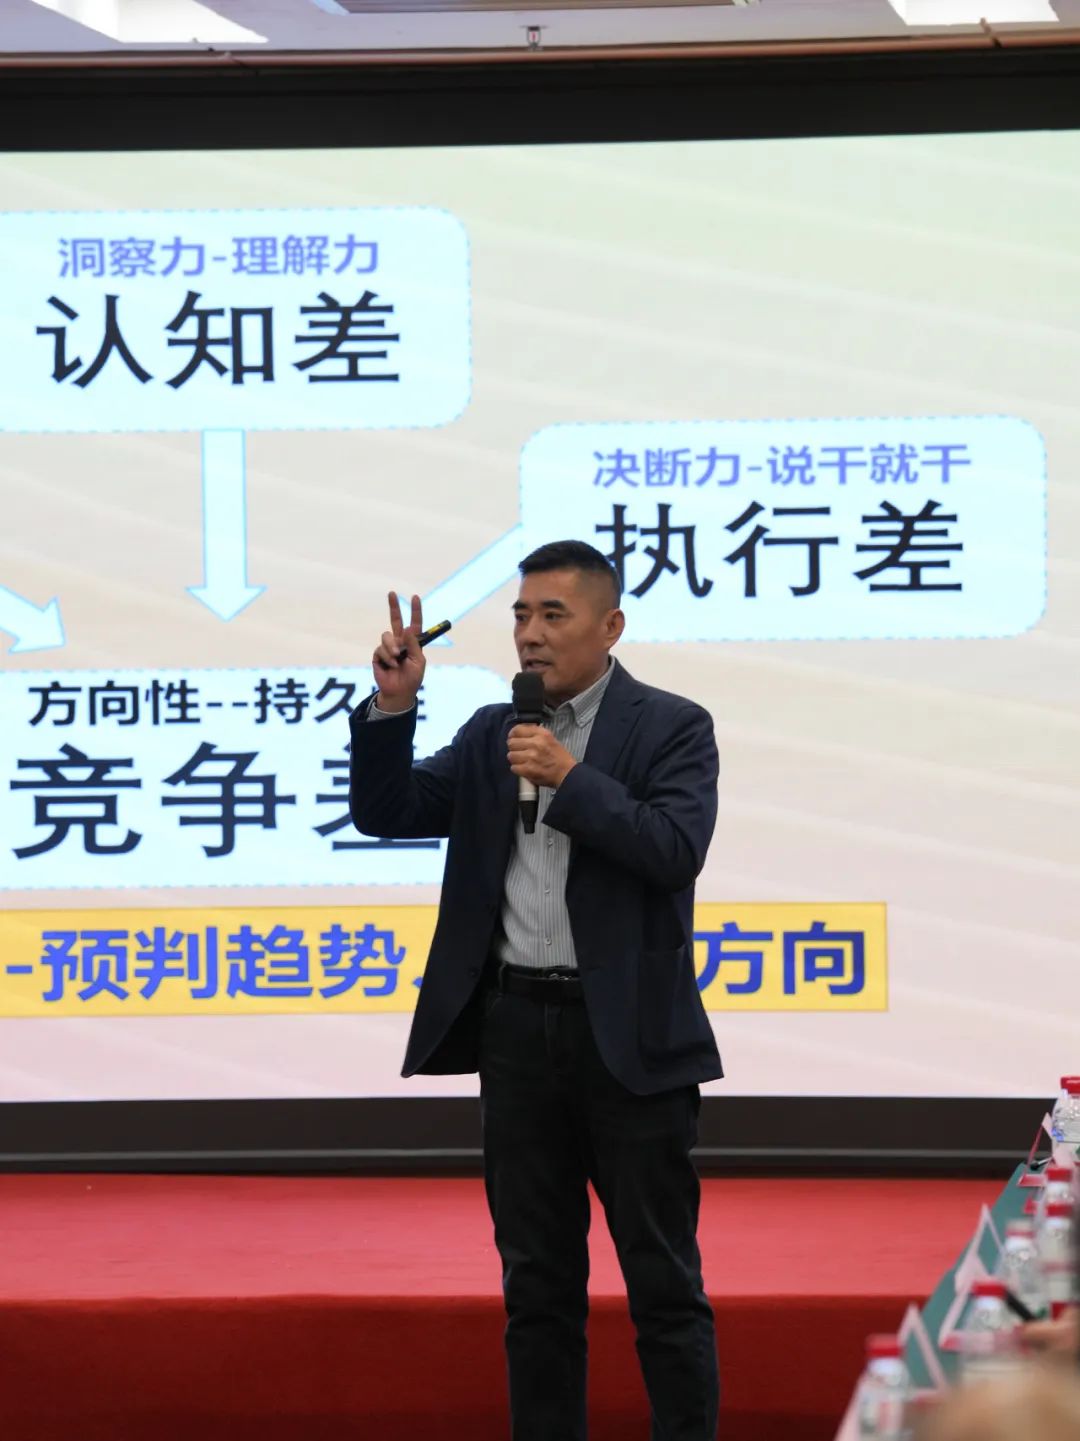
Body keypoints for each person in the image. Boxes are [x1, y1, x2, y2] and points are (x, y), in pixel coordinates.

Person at [349, 539, 723, 1441]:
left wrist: (571, 779)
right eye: (521, 615)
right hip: (517, 1030)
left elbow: (675, 849)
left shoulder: (673, 726)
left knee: (663, 1280)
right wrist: (393, 706)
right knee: (537, 1284)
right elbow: (388, 811)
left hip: (629, 1040)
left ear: (610, 625)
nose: (531, 634)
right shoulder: (493, 732)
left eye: (554, 614)